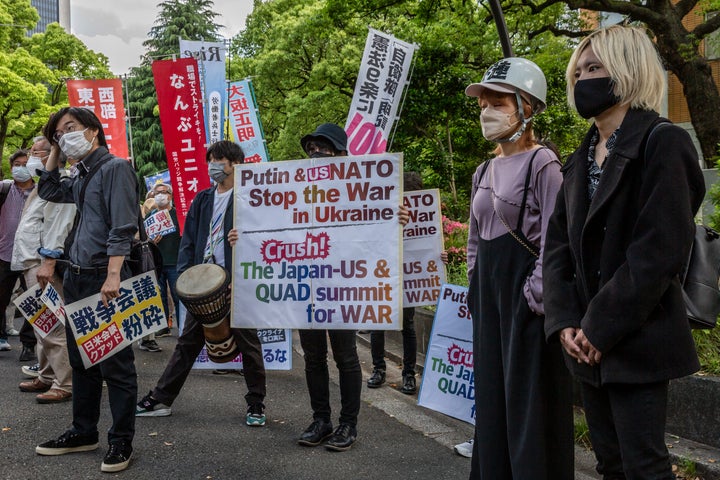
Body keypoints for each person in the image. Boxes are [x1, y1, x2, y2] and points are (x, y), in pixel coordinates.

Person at [543, 25, 705, 480]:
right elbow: (557, 249)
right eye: (577, 72)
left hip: (637, 337)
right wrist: (565, 323)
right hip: (583, 345)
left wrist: (597, 327)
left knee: (644, 465)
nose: (581, 81)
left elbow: (659, 250)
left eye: (594, 68)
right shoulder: (577, 159)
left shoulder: (663, 142)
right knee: (610, 463)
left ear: (628, 69)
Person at [464, 57, 574, 479]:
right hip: (489, 295)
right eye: (483, 103)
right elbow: (475, 236)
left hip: (526, 298)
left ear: (526, 107)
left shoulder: (544, 164)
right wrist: (475, 284)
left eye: (498, 101)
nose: (487, 110)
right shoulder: (482, 170)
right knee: (491, 393)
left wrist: (536, 296)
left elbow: (554, 238)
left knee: (527, 398)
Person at [35, 107, 139, 473]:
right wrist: (54, 149)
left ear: (94, 130)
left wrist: (113, 275)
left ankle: (120, 440)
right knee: (82, 360)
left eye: (71, 128)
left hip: (105, 277)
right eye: (59, 133)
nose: (65, 136)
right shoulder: (79, 173)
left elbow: (123, 226)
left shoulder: (115, 168)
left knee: (116, 362)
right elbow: (47, 187)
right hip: (77, 277)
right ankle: (84, 431)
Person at [135, 140, 268, 428]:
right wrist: (185, 277)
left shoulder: (251, 197)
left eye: (220, 160)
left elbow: (266, 240)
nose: (214, 166)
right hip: (203, 284)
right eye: (211, 160)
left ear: (236, 164)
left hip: (235, 283)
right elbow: (190, 241)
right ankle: (161, 399)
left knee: (248, 343)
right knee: (188, 342)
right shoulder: (203, 199)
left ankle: (256, 403)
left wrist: (244, 273)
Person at [296, 123, 409, 452]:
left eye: (324, 149)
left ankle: (348, 424)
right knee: (313, 358)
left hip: (342, 286)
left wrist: (394, 217)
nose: (316, 154)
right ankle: (321, 420)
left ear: (342, 155)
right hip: (306, 286)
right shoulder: (296, 189)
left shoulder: (358, 190)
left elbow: (374, 230)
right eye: (312, 148)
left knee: (345, 356)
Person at [12, 136, 75, 403]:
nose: (31, 157)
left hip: (42, 264)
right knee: (41, 324)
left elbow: (58, 227)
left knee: (53, 326)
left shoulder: (60, 185)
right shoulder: (43, 186)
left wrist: (48, 262)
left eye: (38, 152)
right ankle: (47, 375)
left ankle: (65, 382)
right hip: (30, 263)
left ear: (54, 156)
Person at [0, 149, 33, 354]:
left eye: (25, 164)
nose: (20, 168)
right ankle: (1, 335)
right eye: (16, 164)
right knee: (1, 298)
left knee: (34, 300)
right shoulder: (3, 189)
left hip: (31, 256)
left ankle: (29, 343)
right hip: (5, 252)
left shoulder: (42, 192)